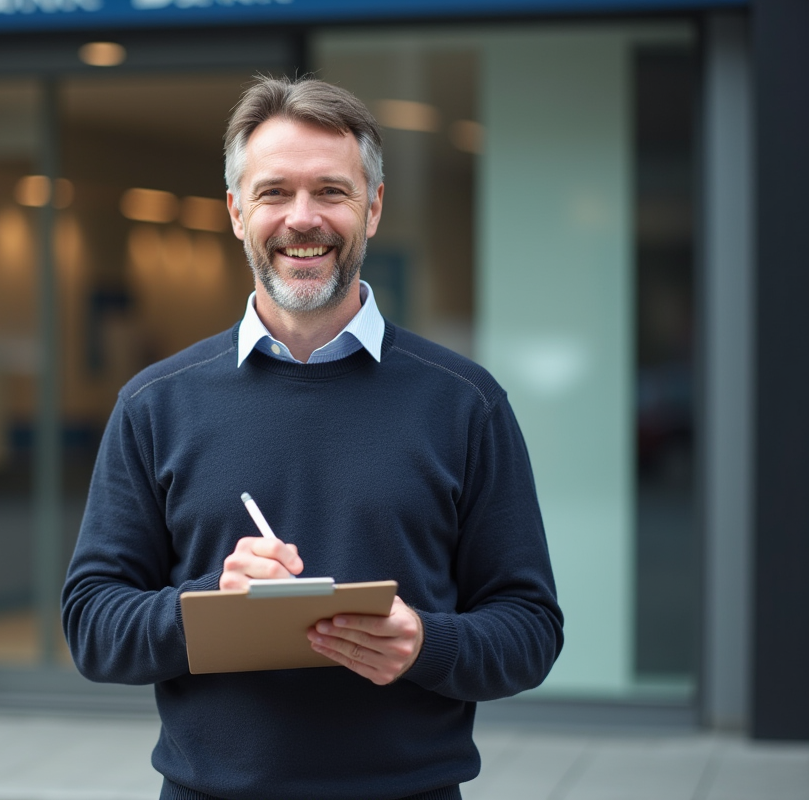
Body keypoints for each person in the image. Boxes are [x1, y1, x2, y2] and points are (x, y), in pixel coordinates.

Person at [61, 75, 563, 800]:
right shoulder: (154, 405)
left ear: (373, 208)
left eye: (331, 191)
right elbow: (91, 624)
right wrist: (209, 603)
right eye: (274, 193)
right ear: (237, 212)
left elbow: (531, 629)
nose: (303, 218)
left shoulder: (465, 404)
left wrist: (429, 642)